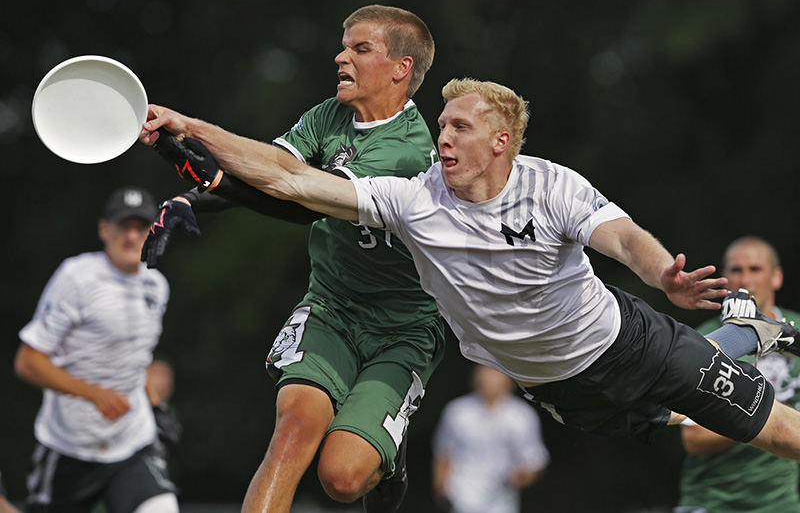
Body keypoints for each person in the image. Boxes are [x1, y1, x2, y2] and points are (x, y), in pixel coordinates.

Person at [142, 77, 800, 464]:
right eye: (442, 125)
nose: (444, 138)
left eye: (459, 126)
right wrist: (191, 126)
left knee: (772, 428)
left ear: (501, 141)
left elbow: (626, 240)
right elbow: (290, 177)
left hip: (636, 345)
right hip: (562, 392)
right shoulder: (411, 199)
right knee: (684, 430)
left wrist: (664, 277)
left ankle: (760, 327)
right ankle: (752, 328)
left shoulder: (552, 188)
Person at [140, 5, 445, 513]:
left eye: (359, 49)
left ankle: (392, 451)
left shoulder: (410, 154)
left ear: (401, 68)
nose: (340, 56)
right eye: (343, 45)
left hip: (405, 328)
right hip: (331, 308)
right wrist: (193, 188)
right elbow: (265, 171)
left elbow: (296, 198)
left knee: (342, 478)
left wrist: (194, 140)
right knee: (292, 432)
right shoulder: (330, 115)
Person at [14, 187, 179, 512]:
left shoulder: (156, 286)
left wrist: (152, 398)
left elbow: (137, 357)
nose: (132, 236)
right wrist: (94, 394)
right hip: (70, 446)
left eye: (141, 226)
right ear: (105, 230)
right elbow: (27, 361)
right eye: (123, 226)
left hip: (132, 443)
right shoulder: (77, 277)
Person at [677, 236, 800, 513]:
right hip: (711, 502)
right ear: (724, 279)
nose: (745, 279)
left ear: (776, 276)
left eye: (755, 269)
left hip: (779, 503)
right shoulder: (706, 342)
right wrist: (768, 409)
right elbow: (694, 439)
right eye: (736, 270)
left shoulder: (797, 333)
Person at [432, 365, 549, 513]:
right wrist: (441, 489)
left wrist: (523, 475)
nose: (488, 379)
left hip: (500, 501)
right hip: (460, 497)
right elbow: (443, 453)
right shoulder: (457, 411)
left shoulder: (521, 416)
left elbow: (535, 459)